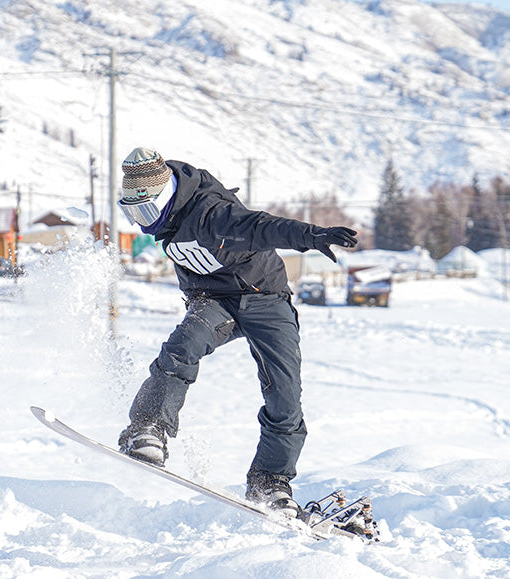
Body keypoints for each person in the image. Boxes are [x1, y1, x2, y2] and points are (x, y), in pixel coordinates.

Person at [116, 147, 358, 518]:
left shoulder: (211, 213)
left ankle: (270, 480)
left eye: (147, 211)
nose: (142, 223)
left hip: (266, 299)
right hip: (213, 300)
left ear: (165, 196)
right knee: (182, 348)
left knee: (285, 392)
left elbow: (261, 226)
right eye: (133, 213)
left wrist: (311, 235)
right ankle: (147, 428)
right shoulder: (164, 220)